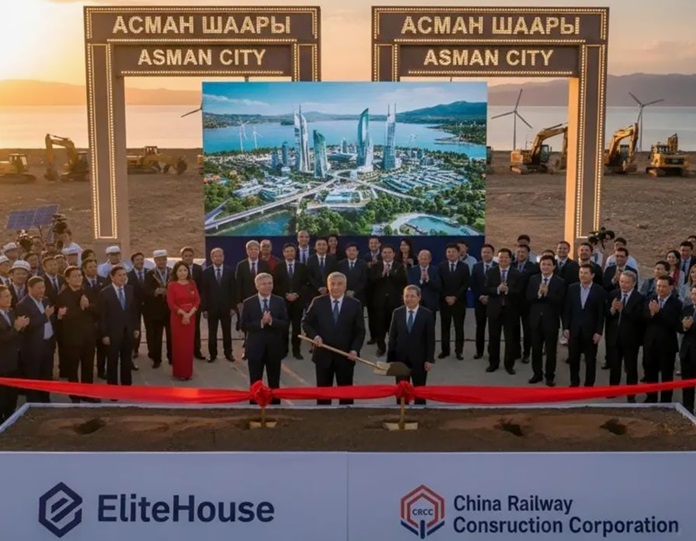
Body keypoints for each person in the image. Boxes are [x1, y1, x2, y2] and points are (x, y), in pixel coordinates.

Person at [302, 272, 365, 405]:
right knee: (323, 395)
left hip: (345, 356)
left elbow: (360, 331)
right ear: (328, 285)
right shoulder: (318, 302)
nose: (335, 287)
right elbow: (306, 323)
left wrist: (355, 349)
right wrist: (315, 336)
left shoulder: (354, 304)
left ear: (345, 286)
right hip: (323, 355)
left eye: (339, 284)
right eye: (332, 284)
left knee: (346, 395)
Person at [241, 272, 288, 404]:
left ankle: (275, 405)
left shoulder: (279, 301)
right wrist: (261, 323)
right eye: (264, 284)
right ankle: (255, 405)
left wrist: (271, 321)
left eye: (270, 283)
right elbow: (243, 325)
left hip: (274, 347)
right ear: (257, 286)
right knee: (255, 381)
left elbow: (285, 323)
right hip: (255, 348)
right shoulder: (249, 302)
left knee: (274, 380)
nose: (267, 286)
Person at [56, 266, 98, 402]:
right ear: (67, 279)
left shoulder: (88, 291)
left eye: (80, 275)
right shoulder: (63, 296)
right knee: (73, 369)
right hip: (72, 338)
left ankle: (88, 394)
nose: (78, 278)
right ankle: (75, 395)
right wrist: (82, 308)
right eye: (75, 276)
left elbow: (98, 310)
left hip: (89, 336)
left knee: (88, 367)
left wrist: (88, 306)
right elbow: (67, 315)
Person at [387, 285, 435, 405]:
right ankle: (402, 412)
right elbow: (392, 337)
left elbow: (430, 339)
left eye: (412, 296)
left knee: (419, 390)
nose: (409, 299)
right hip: (400, 360)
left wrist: (429, 359)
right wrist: (391, 360)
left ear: (419, 298)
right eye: (406, 296)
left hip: (419, 359)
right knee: (401, 391)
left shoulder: (427, 314)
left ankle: (419, 412)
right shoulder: (397, 313)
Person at [562, 263, 606, 387]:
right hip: (574, 330)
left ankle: (589, 385)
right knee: (573, 359)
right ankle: (574, 383)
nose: (582, 275)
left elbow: (601, 314)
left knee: (590, 360)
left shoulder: (599, 290)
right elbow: (567, 310)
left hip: (591, 332)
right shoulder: (572, 288)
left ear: (592, 275)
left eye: (586, 273)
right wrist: (566, 327)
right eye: (581, 272)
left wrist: (599, 332)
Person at [605, 271, 644, 401]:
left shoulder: (639, 298)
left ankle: (631, 394)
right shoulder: (613, 294)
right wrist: (612, 310)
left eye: (627, 282)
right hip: (614, 337)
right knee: (614, 366)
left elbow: (639, 318)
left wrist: (623, 310)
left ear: (633, 283)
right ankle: (613, 390)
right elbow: (607, 315)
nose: (623, 285)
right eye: (621, 281)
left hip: (631, 339)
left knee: (631, 367)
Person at [16, 276, 57, 403]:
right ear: (30, 288)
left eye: (43, 287)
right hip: (33, 347)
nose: (42, 290)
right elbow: (28, 326)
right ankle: (33, 402)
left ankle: (45, 399)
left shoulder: (45, 300)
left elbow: (52, 319)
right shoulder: (23, 305)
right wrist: (45, 315)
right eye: (38, 288)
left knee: (46, 374)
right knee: (33, 375)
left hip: (48, 344)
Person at [526, 255, 565, 386]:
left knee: (550, 351)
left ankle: (549, 376)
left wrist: (548, 293)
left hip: (551, 321)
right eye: (543, 264)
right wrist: (538, 293)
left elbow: (560, 301)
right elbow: (528, 297)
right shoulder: (533, 279)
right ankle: (537, 374)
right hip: (535, 320)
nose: (545, 267)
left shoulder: (559, 281)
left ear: (554, 267)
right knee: (536, 349)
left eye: (549, 264)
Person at [643, 275, 682, 403]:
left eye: (663, 286)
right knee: (650, 373)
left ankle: (666, 400)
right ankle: (651, 397)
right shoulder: (650, 299)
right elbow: (643, 317)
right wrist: (651, 313)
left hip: (667, 346)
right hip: (650, 343)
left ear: (671, 287)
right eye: (658, 286)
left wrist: (659, 312)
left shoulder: (677, 303)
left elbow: (675, 323)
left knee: (666, 375)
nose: (660, 289)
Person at [99, 265, 139, 387]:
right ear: (112, 277)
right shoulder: (105, 293)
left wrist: (136, 328)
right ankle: (113, 388)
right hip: (112, 334)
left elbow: (134, 311)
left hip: (128, 332)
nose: (123, 277)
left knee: (126, 361)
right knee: (112, 361)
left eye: (124, 275)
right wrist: (104, 334)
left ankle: (126, 386)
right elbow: (102, 316)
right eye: (119, 275)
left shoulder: (130, 289)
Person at [485, 248, 523, 375]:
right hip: (494, 310)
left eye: (506, 257)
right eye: (501, 257)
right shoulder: (491, 271)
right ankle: (493, 363)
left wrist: (508, 290)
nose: (503, 260)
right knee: (493, 338)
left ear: (510, 259)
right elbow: (486, 288)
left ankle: (509, 365)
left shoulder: (517, 273)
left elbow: (520, 291)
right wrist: (497, 289)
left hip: (510, 311)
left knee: (510, 339)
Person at [369, 245, 407, 356]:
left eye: (389, 252)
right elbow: (371, 281)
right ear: (381, 254)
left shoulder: (399, 266)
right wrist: (382, 274)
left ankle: (393, 348)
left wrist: (391, 273)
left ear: (394, 254)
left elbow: (403, 281)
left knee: (394, 327)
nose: (387, 254)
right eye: (384, 252)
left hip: (394, 302)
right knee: (379, 326)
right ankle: (381, 348)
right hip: (379, 302)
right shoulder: (376, 266)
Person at [272, 243, 308, 360]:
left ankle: (296, 351)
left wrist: (297, 294)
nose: (289, 253)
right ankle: (284, 350)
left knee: (297, 328)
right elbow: (275, 285)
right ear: (283, 253)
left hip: (298, 302)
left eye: (292, 251)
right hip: (283, 302)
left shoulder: (301, 266)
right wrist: (286, 294)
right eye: (287, 251)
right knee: (284, 328)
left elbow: (305, 284)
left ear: (295, 252)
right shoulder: (278, 267)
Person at [201, 248, 236, 363]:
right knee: (212, 333)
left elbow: (233, 291)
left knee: (227, 332)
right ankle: (212, 354)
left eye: (220, 256)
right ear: (212, 258)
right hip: (211, 309)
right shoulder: (206, 272)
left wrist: (233, 307)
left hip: (226, 308)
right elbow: (203, 292)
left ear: (223, 257)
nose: (218, 258)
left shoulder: (230, 271)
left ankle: (228, 353)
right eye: (216, 256)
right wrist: (204, 309)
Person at [0, 285, 29, 422]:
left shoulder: (11, 312)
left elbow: (15, 335)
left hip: (13, 361)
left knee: (12, 395)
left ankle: (10, 417)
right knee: (2, 396)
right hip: (2, 363)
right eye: (6, 296)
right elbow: (2, 338)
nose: (9, 298)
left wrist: (21, 327)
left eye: (10, 295)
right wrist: (16, 328)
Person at [166, 262, 200, 381]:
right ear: (175, 272)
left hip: (190, 318)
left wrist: (189, 314)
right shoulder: (172, 285)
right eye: (180, 270)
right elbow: (171, 303)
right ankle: (179, 372)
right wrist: (183, 314)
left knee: (188, 346)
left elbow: (197, 300)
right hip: (177, 318)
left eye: (185, 270)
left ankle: (187, 372)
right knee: (179, 346)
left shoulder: (192, 283)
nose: (182, 273)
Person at [438, 243, 470, 360]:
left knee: (459, 328)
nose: (451, 254)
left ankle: (459, 351)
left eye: (453, 251)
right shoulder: (441, 266)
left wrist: (455, 297)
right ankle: (445, 351)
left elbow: (466, 284)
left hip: (459, 302)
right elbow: (439, 284)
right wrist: (446, 297)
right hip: (444, 302)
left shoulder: (464, 267)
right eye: (449, 252)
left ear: (458, 253)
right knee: (445, 327)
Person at [144, 249, 171, 368]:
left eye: (164, 259)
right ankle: (157, 359)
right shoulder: (150, 273)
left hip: (170, 310)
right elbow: (146, 290)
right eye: (159, 260)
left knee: (171, 336)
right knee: (157, 337)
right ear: (155, 260)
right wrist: (155, 292)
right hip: (156, 311)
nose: (162, 262)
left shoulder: (172, 272)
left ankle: (171, 357)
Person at [471, 244, 497, 359]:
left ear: (492, 254)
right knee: (480, 327)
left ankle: (492, 351)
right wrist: (480, 296)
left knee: (493, 328)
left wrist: (489, 297)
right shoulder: (476, 267)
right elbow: (473, 284)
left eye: (488, 252)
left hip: (493, 302)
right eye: (484, 252)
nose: (485, 254)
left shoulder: (497, 267)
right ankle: (479, 351)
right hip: (479, 301)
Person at [180, 246, 204, 360]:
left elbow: (202, 288)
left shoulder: (198, 269)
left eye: (190, 256)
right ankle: (184, 350)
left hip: (195, 305)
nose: (188, 258)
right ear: (182, 257)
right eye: (186, 256)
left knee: (195, 328)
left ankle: (196, 350)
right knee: (183, 329)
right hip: (181, 306)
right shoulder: (178, 269)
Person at [679, 285, 696, 413]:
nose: (694, 297)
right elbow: (680, 327)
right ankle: (687, 409)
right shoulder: (687, 308)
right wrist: (684, 327)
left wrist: (692, 326)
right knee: (687, 384)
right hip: (687, 353)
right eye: (693, 294)